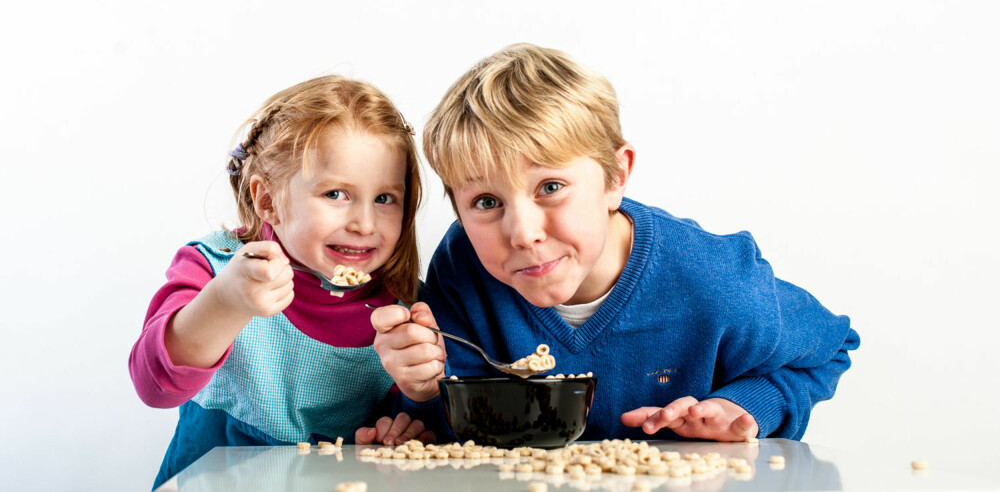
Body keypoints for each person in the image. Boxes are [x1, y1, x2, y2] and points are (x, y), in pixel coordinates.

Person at [371, 43, 860, 444]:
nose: (521, 232)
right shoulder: (462, 268)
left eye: (550, 187)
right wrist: (419, 389)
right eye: (485, 202)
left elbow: (830, 348)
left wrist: (750, 404)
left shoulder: (712, 282)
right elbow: (454, 426)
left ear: (615, 177)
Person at [129, 75, 433, 490]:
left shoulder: (406, 310)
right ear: (267, 200)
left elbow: (423, 428)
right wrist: (226, 303)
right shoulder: (216, 267)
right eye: (336, 194)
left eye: (384, 199)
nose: (364, 224)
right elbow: (154, 387)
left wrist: (409, 415)